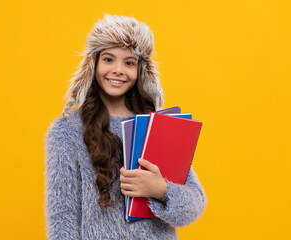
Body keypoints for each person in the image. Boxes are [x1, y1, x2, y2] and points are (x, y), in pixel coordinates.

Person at [44, 14, 207, 240]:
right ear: (94, 64)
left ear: (140, 71)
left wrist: (160, 189)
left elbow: (194, 205)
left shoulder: (157, 127)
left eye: (129, 62)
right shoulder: (67, 132)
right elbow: (63, 218)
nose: (118, 70)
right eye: (109, 59)